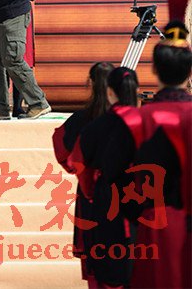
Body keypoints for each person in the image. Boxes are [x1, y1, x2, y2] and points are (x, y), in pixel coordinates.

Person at [112, 4, 191, 289]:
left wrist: (135, 215)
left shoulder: (135, 120)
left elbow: (118, 178)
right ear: (189, 71)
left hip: (154, 225)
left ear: (155, 68)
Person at [73, 66, 140, 289]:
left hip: (107, 201)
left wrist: (91, 191)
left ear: (109, 91)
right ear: (135, 91)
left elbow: (79, 165)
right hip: (145, 202)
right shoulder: (148, 123)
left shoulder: (94, 127)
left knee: (109, 266)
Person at [52, 62, 114, 285]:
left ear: (90, 83)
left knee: (95, 262)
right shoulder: (129, 118)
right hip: (124, 194)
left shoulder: (81, 119)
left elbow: (63, 150)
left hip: (91, 193)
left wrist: (82, 171)